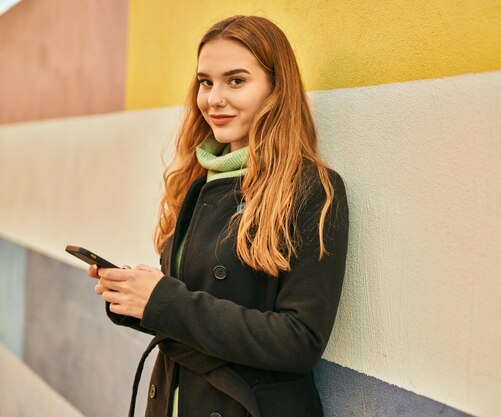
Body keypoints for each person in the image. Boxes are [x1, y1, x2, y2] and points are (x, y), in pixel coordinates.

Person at [87, 15, 349, 417]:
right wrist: (134, 297)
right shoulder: (196, 179)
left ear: (277, 89)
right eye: (206, 82)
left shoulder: (313, 189)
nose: (213, 99)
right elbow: (193, 310)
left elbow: (300, 341)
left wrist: (163, 300)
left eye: (236, 80)